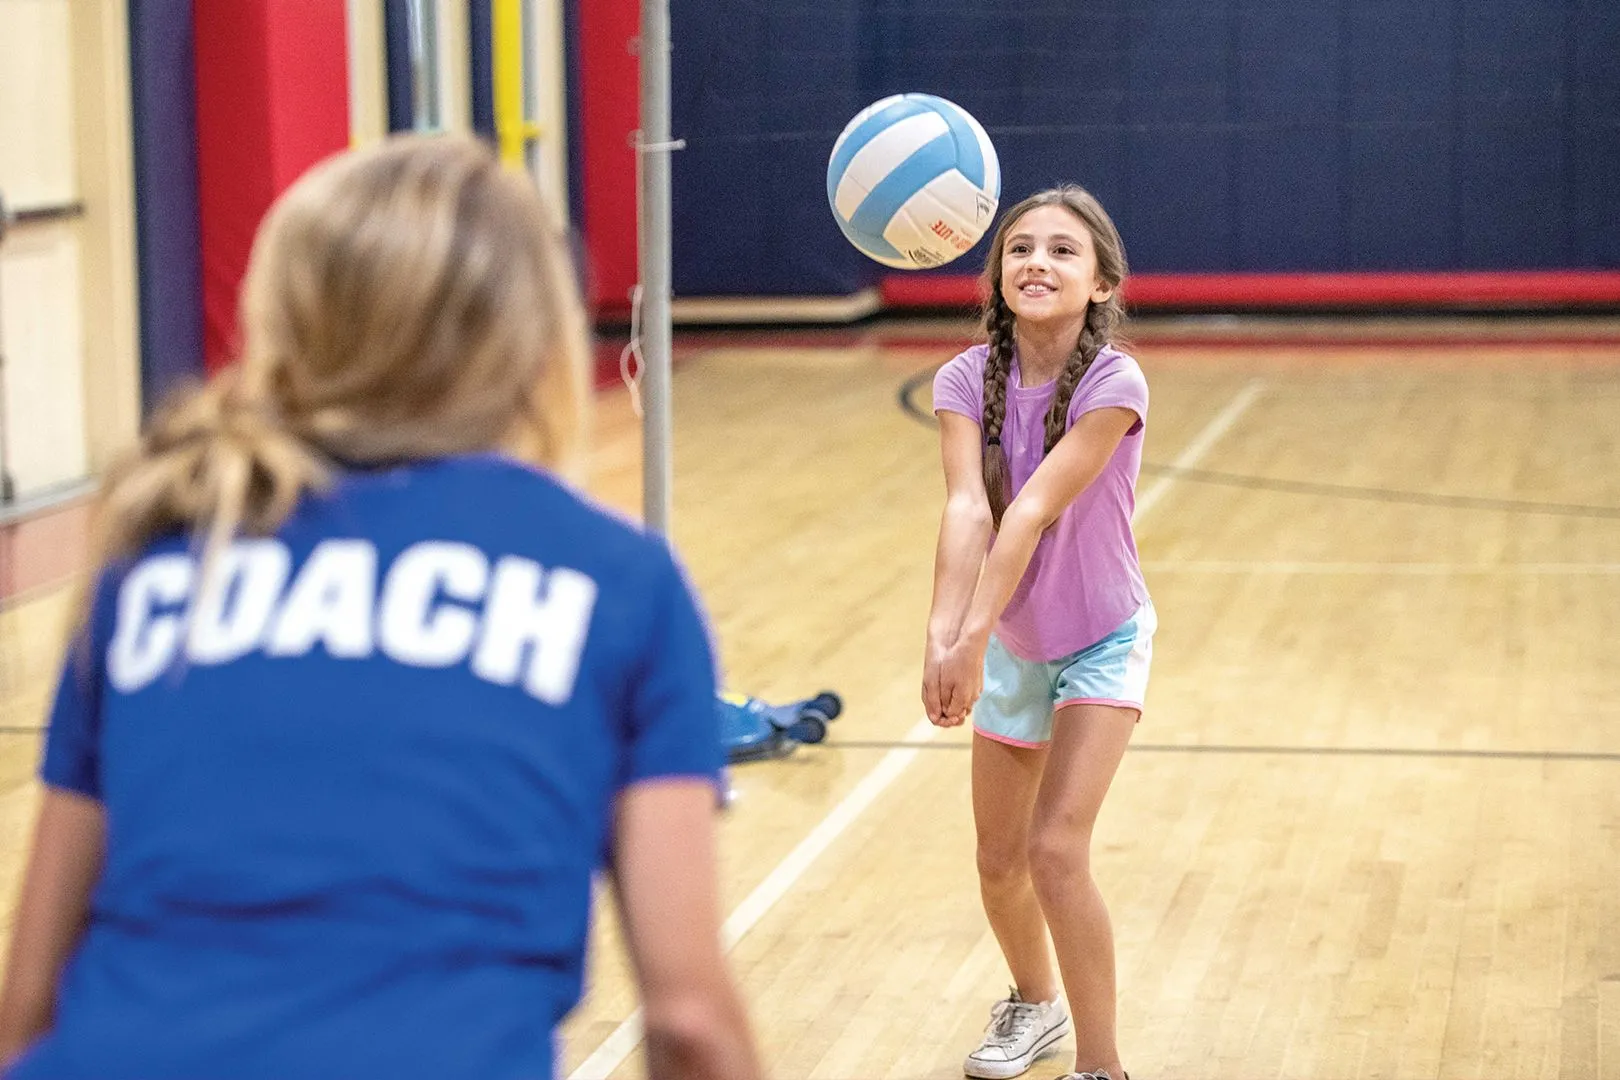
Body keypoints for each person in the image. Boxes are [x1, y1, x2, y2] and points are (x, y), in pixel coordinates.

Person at [0, 134, 762, 1080]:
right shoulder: (619, 582)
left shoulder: (158, 564)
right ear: (531, 334)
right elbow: (689, 1020)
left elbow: (28, 1002)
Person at [923, 185, 1151, 1080]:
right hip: (1017, 639)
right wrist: (944, 638)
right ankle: (1036, 1006)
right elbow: (967, 509)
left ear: (1100, 283)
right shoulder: (961, 379)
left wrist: (968, 641)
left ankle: (1103, 1066)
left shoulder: (1113, 381)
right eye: (1020, 248)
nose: (1037, 263)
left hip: (1100, 634)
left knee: (1056, 850)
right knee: (996, 860)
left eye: (1062, 250)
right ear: (997, 273)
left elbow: (1029, 517)